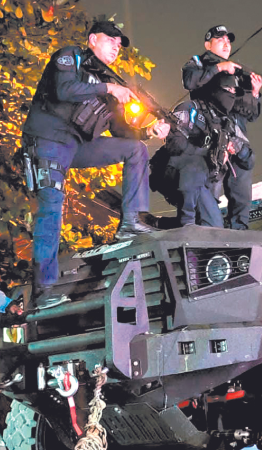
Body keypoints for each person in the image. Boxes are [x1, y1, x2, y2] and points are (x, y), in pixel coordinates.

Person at [21, 20, 170, 307]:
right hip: (49, 140)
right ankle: (44, 291)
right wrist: (111, 88)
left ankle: (132, 222)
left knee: (135, 149)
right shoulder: (70, 57)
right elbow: (64, 91)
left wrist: (150, 131)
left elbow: (120, 132)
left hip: (76, 147)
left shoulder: (109, 83)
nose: (116, 45)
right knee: (51, 211)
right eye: (111, 39)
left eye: (119, 43)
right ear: (92, 39)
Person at [182, 25, 262, 230]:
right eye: (220, 40)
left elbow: (252, 114)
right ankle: (207, 232)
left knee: (241, 188)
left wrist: (254, 93)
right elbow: (190, 82)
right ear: (207, 44)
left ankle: (240, 232)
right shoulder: (199, 63)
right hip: (210, 136)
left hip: (237, 138)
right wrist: (219, 68)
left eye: (228, 40)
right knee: (209, 189)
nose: (226, 43)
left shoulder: (238, 72)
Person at [152, 75, 247, 227]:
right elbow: (174, 146)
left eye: (234, 91)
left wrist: (234, 148)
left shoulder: (227, 123)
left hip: (205, 182)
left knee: (210, 224)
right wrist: (204, 148)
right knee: (210, 225)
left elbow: (248, 159)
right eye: (227, 89)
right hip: (176, 174)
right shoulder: (191, 109)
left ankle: (156, 224)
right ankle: (185, 225)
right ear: (214, 90)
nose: (231, 94)